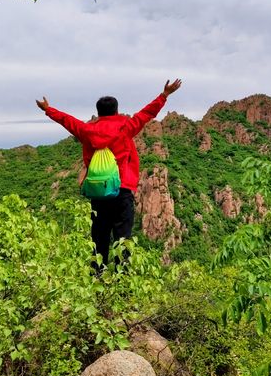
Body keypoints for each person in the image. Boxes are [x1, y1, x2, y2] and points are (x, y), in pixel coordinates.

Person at [35, 79, 182, 268]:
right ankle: (121, 285)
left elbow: (68, 121)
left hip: (99, 192)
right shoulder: (125, 127)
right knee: (122, 239)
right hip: (122, 190)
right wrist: (164, 95)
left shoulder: (88, 130)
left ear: (98, 113)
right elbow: (146, 114)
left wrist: (48, 109)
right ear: (116, 111)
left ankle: (97, 280)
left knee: (98, 239)